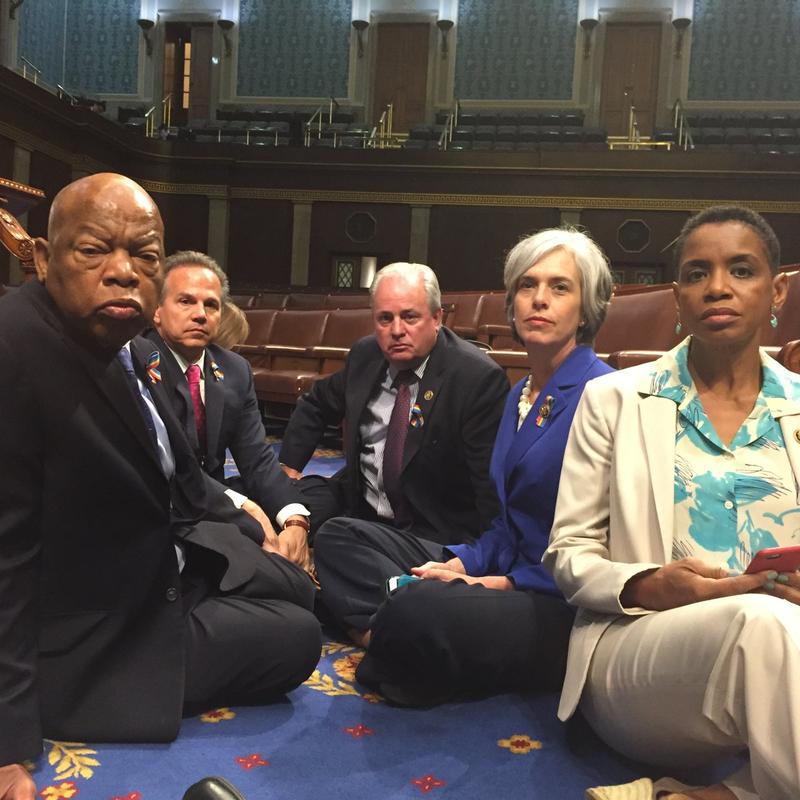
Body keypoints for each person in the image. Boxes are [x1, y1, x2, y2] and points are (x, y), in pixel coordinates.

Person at [0, 173, 321, 800]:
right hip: (96, 632)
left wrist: (258, 519)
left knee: (298, 586)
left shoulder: (126, 342)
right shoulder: (15, 348)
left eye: (143, 256)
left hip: (158, 558)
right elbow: (4, 556)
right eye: (93, 251)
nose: (123, 272)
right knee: (300, 637)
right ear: (42, 259)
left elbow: (176, 468)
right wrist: (8, 737)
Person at [544, 206, 800, 800]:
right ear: (677, 296)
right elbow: (569, 555)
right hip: (641, 651)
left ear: (776, 290)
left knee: (776, 625)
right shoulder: (613, 400)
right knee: (761, 623)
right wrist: (654, 583)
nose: (718, 287)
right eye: (696, 274)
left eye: (741, 270)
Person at [314, 229, 613, 703]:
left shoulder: (607, 396)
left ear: (587, 305)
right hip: (502, 578)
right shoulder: (520, 396)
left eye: (560, 287)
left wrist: (493, 582)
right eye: (526, 286)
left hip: (560, 600)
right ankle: (405, 634)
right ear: (511, 302)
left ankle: (387, 632)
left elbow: (611, 548)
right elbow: (504, 525)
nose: (539, 300)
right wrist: (460, 563)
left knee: (416, 610)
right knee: (337, 536)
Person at [279, 262, 508, 545]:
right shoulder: (366, 354)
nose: (396, 330)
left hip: (431, 525)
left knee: (337, 543)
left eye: (409, 317)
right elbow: (316, 404)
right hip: (361, 504)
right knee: (273, 506)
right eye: (385, 319)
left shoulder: (476, 379)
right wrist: (288, 469)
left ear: (437, 318)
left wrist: (482, 563)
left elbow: (489, 488)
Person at [144, 251, 311, 568]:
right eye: (185, 302)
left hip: (219, 503)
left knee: (303, 538)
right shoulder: (140, 363)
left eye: (211, 305)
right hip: (164, 508)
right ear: (156, 310)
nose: (200, 314)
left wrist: (294, 519)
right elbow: (170, 470)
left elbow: (256, 457)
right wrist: (244, 506)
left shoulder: (234, 369)